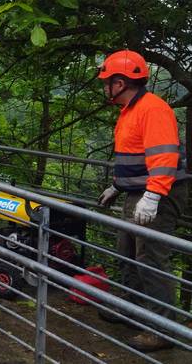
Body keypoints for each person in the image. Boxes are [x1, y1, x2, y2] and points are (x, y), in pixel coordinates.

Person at [96, 49, 188, 351]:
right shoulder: (130, 111)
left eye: (106, 81)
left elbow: (163, 158)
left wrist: (152, 196)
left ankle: (162, 330)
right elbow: (134, 159)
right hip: (140, 191)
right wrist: (116, 186)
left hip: (159, 193)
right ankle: (132, 308)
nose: (104, 86)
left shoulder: (153, 109)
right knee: (127, 252)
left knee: (150, 259)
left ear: (120, 83)